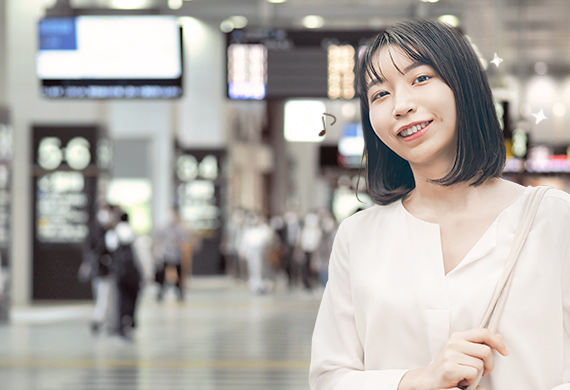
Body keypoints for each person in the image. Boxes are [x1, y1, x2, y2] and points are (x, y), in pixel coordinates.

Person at [309, 19, 570, 390]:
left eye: (420, 79)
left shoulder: (556, 219)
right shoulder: (359, 236)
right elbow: (329, 378)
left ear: (465, 88)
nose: (401, 106)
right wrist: (418, 380)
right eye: (379, 94)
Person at [106, 211, 142, 340]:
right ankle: (130, 320)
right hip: (133, 273)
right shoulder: (134, 234)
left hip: (119, 273)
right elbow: (141, 256)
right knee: (133, 298)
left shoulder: (113, 234)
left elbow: (109, 251)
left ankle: (120, 326)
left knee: (120, 299)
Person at [153, 208, 192, 301]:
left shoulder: (180, 228)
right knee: (162, 275)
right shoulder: (166, 227)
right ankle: (161, 293)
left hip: (177, 255)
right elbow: (158, 236)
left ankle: (180, 293)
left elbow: (186, 239)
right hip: (167, 254)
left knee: (178, 275)